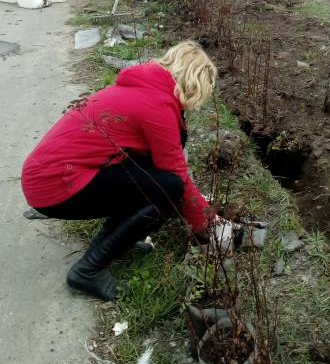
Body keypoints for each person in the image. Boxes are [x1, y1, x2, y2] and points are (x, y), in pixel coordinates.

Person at [21, 40, 218, 302]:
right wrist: (209, 225)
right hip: (55, 186)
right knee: (167, 189)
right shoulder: (156, 105)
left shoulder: (144, 88)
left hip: (48, 175)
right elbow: (176, 176)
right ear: (194, 81)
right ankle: (87, 271)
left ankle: (122, 235)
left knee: (151, 180)